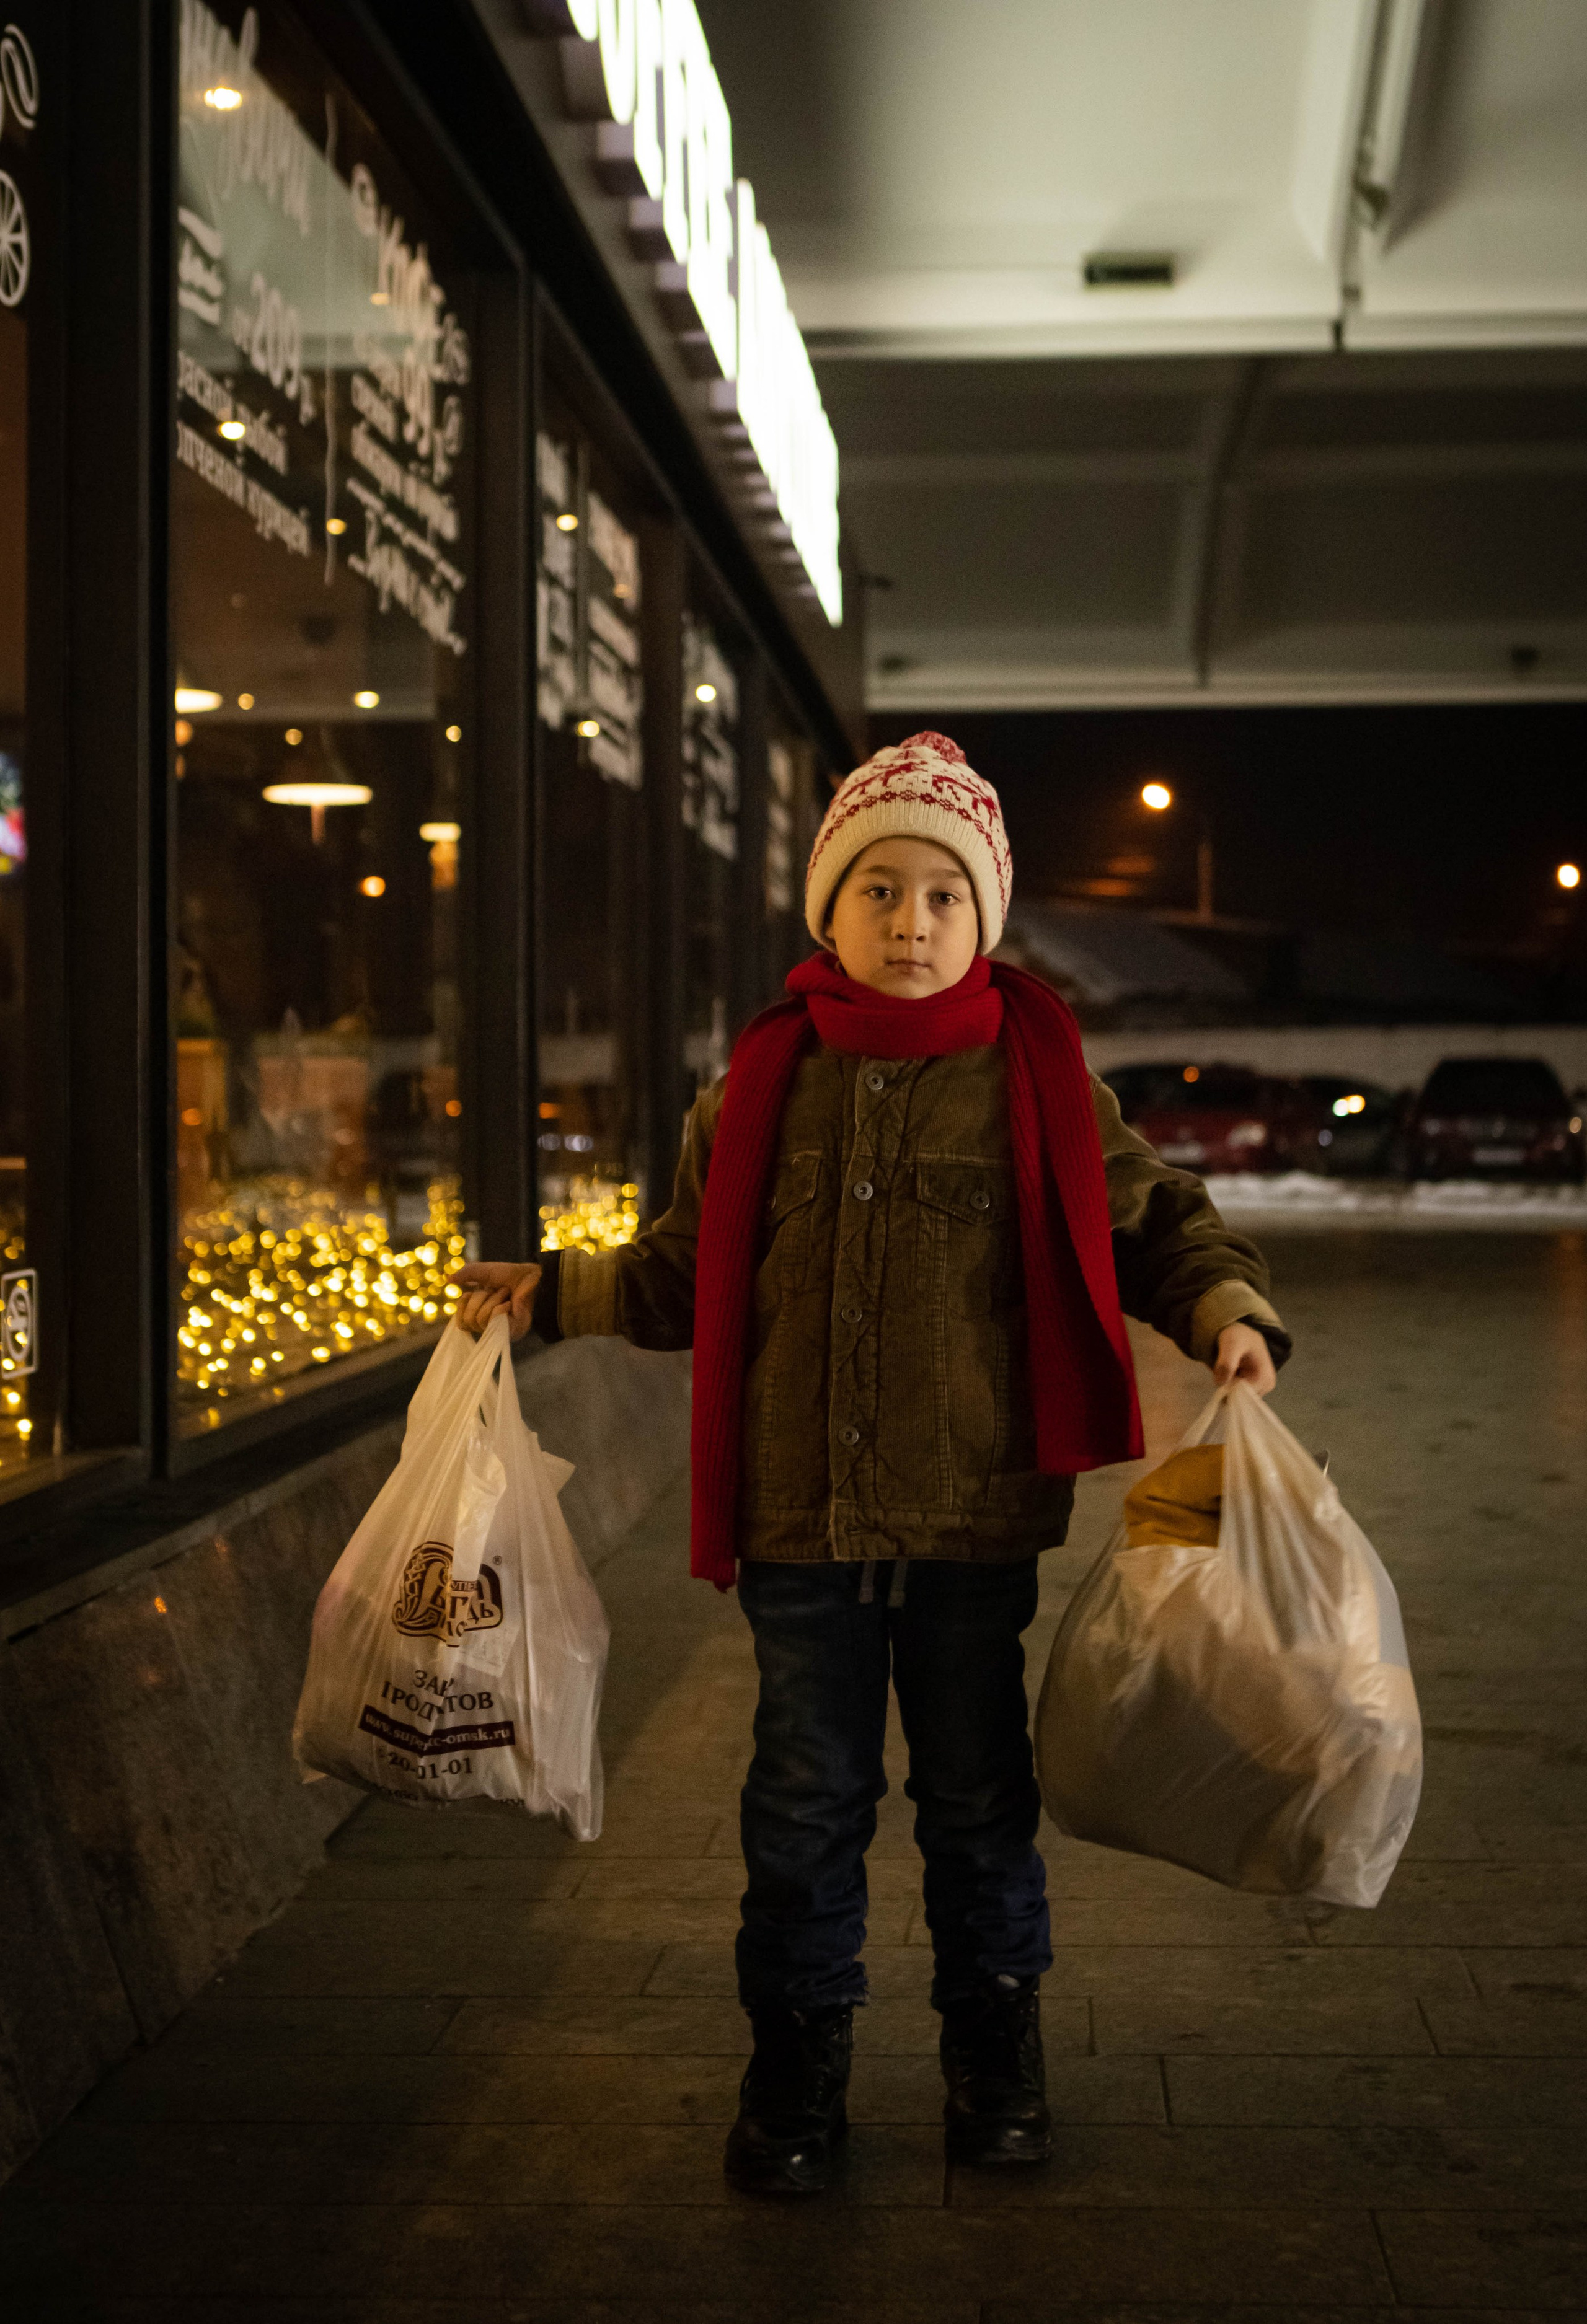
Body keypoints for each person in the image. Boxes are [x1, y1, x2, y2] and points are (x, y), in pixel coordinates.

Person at [453, 732, 1288, 2196]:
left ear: (986, 918)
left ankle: (993, 2053)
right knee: (802, 1800)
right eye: (879, 891)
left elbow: (1156, 1219)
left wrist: (1223, 1310)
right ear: (824, 911)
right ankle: (795, 2064)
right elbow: (681, 1279)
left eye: (943, 897)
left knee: (975, 1800)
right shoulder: (760, 1086)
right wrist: (555, 1293)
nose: (911, 924)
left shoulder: (1034, 1081)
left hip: (974, 1522)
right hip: (797, 1527)